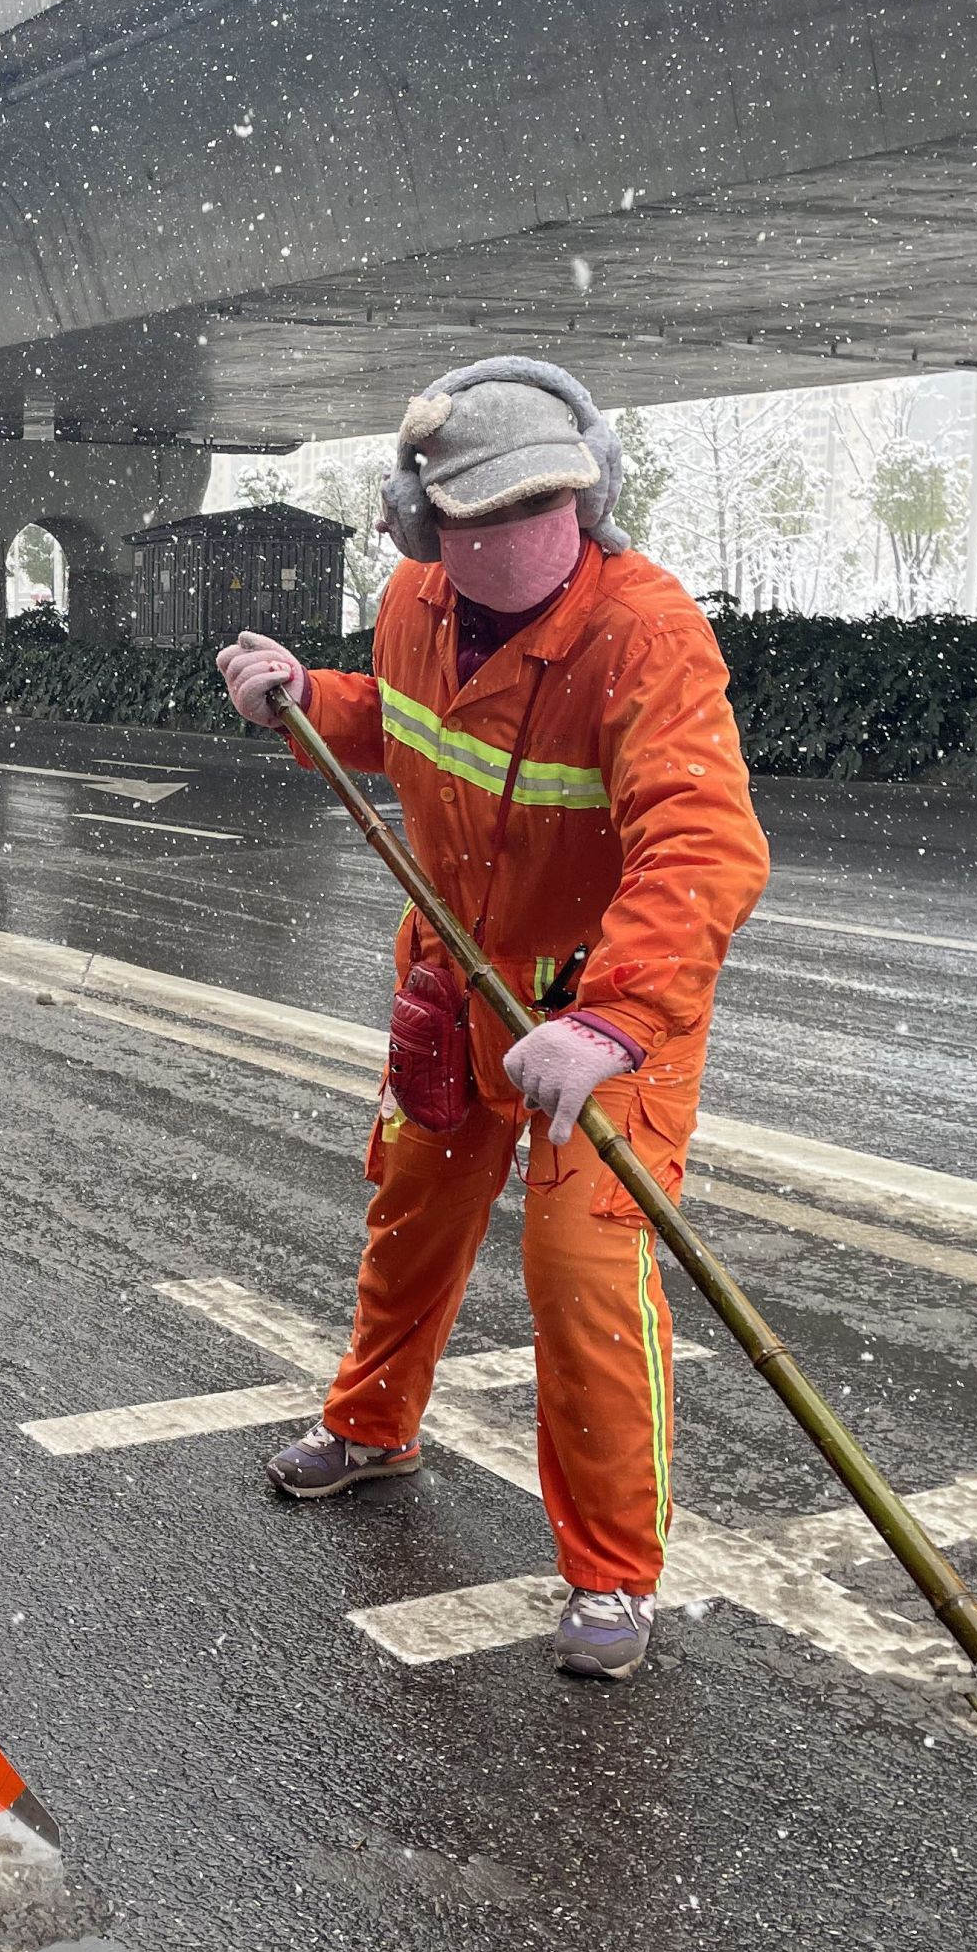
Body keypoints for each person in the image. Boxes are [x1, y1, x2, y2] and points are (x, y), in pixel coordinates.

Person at [213, 356, 768, 1681]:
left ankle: (612, 1570)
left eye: (549, 505)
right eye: (488, 515)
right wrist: (307, 698)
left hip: (600, 1013)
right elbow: (414, 731)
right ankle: (372, 1423)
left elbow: (702, 840)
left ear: (591, 494)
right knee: (411, 1216)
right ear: (425, 525)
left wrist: (611, 1019)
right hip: (454, 981)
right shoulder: (413, 605)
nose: (528, 535)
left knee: (586, 1281)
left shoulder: (645, 634)